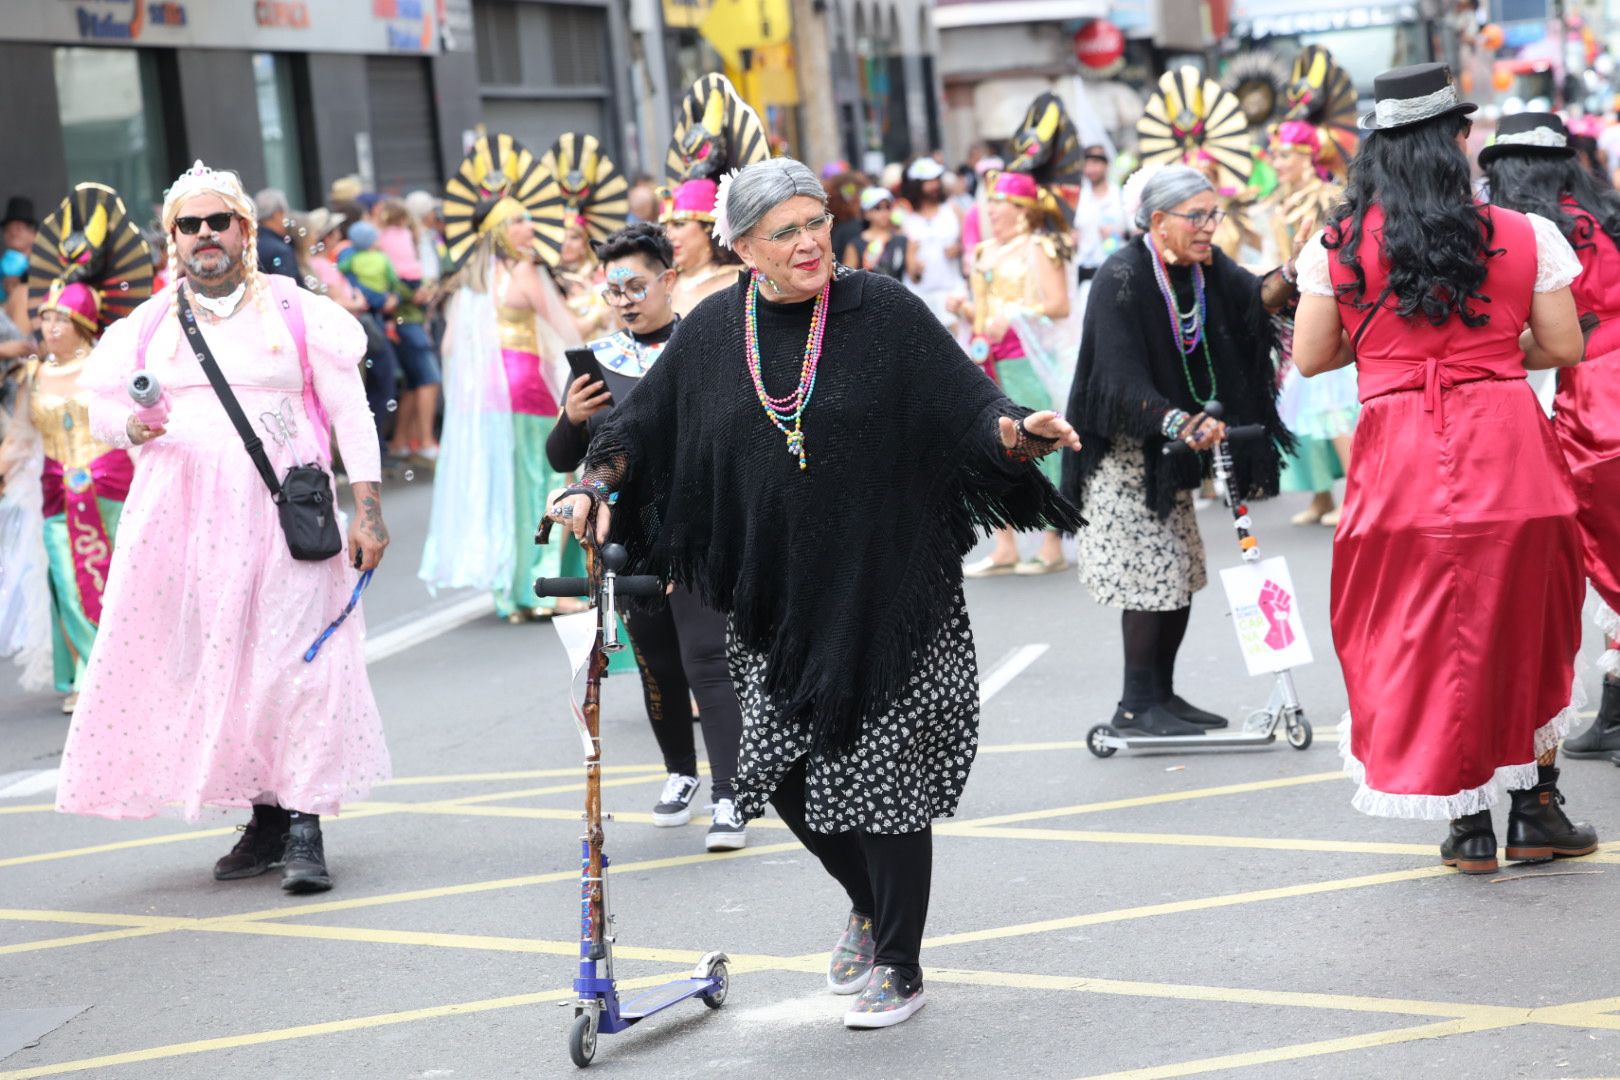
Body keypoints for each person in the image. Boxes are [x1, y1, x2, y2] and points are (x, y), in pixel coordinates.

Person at [549, 157, 1081, 1029]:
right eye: (784, 231)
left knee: (885, 782)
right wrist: (593, 486)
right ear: (744, 246)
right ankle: (868, 906)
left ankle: (900, 964)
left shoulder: (883, 311)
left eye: (815, 222)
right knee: (777, 770)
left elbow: (969, 405)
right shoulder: (719, 327)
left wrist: (1019, 435)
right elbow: (638, 428)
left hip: (890, 586)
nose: (807, 242)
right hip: (777, 597)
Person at [1292, 65, 1597, 873]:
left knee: (1417, 635)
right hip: (1512, 453)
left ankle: (1466, 824)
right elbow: (1565, 346)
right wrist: (1493, 354)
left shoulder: (1337, 246)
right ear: (1460, 141)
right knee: (1529, 626)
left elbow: (1314, 355)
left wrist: (1394, 353)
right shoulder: (1528, 234)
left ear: (1376, 152)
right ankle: (1535, 808)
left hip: (1398, 463)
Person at [55, 160, 391, 894]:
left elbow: (350, 414)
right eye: (189, 225)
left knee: (297, 661)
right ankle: (265, 817)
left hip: (285, 518)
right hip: (180, 525)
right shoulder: (146, 325)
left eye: (218, 221)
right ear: (171, 239)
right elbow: (102, 414)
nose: (205, 235)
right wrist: (136, 426)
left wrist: (367, 506)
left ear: (244, 230)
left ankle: (305, 822)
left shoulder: (299, 312)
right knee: (225, 668)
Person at [1062, 165, 1294, 738]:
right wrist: (1174, 420)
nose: (1210, 226)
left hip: (1167, 455)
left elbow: (1257, 302)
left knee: (1181, 573)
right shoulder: (1122, 273)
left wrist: (1297, 269)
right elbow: (1114, 377)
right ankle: (1136, 704)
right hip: (1123, 458)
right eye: (1198, 216)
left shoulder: (1203, 267)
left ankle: (1161, 695)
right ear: (1159, 221)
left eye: (1214, 214)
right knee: (1153, 578)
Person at [544, 222, 748, 850]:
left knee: (706, 659)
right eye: (614, 290)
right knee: (657, 664)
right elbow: (563, 457)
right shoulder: (599, 359)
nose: (627, 298)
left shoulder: (706, 344)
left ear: (668, 279)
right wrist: (571, 419)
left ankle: (731, 795)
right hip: (626, 538)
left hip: (701, 527)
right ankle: (681, 775)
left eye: (637, 284)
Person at [1481, 111, 1620, 763]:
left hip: (1599, 401)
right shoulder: (1598, 218)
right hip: (1597, 387)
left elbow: (1553, 333)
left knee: (1610, 560)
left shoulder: (1539, 235)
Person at [419, 195, 583, 621]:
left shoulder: (470, 282)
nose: (529, 227)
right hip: (527, 389)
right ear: (501, 231)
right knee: (546, 482)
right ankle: (542, 591)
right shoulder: (524, 272)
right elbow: (567, 329)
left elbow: (449, 346)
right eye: (520, 220)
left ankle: (508, 597)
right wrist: (596, 313)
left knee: (503, 491)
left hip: (486, 398)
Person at [0, 280, 136, 712]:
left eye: (62, 318)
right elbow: (18, 440)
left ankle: (134, 666)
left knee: (119, 581)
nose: (52, 327)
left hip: (114, 486)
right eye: (46, 318)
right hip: (57, 494)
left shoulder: (108, 366)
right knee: (69, 579)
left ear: (82, 322)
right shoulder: (31, 375)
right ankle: (94, 675)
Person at [951, 171, 1073, 576]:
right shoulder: (984, 253)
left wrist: (1017, 314)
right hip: (987, 360)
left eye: (998, 203)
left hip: (1028, 360)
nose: (991, 211)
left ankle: (1052, 542)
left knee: (1038, 441)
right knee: (990, 445)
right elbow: (984, 315)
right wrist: (964, 311)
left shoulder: (1039, 248)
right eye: (988, 204)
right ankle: (1005, 544)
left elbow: (1059, 305)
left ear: (1022, 209)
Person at [1268, 121, 1356, 527]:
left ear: (1309, 156)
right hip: (1292, 306)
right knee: (1303, 407)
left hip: (1326, 304)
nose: (1277, 163)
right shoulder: (1280, 200)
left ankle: (1357, 495)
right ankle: (1321, 494)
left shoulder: (1327, 197)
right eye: (1275, 155)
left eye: (1285, 155)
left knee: (1331, 405)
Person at [374, 199, 443, 466]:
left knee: (415, 385)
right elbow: (394, 280)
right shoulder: (392, 243)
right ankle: (424, 442)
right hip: (406, 321)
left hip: (404, 321)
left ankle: (403, 442)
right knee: (428, 379)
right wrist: (416, 293)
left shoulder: (385, 242)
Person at [662, 179, 744, 316]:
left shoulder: (738, 279)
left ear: (707, 228)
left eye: (679, 225)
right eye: (665, 227)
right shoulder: (665, 284)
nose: (668, 236)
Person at [900, 157, 964, 325]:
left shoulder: (952, 210)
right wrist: (913, 261)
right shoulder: (906, 219)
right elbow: (909, 269)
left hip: (952, 291)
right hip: (921, 295)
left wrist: (959, 248)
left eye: (936, 180)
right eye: (928, 182)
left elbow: (969, 245)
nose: (934, 186)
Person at [1074, 145, 1125, 300]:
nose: (1091, 169)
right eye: (1087, 164)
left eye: (1096, 163)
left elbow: (1136, 231)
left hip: (1117, 273)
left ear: (1106, 165)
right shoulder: (1078, 198)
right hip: (1087, 277)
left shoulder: (1120, 196)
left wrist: (1119, 233)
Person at [843, 187, 912, 280]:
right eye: (878, 208)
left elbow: (914, 276)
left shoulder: (901, 240)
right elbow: (848, 279)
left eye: (888, 207)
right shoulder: (855, 244)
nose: (884, 212)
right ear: (866, 213)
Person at [253, 187, 300, 281]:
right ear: (277, 214)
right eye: (285, 213)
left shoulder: (250, 243)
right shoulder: (280, 250)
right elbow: (289, 290)